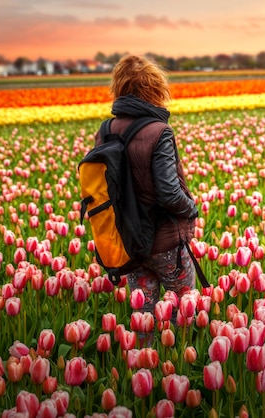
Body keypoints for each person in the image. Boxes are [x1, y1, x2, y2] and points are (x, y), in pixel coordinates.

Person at [94, 55, 198, 346]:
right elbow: (168, 191)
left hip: (128, 244)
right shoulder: (159, 132)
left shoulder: (104, 131)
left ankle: (145, 370)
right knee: (183, 311)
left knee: (144, 317)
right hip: (165, 242)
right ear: (155, 89)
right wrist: (191, 209)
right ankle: (179, 370)